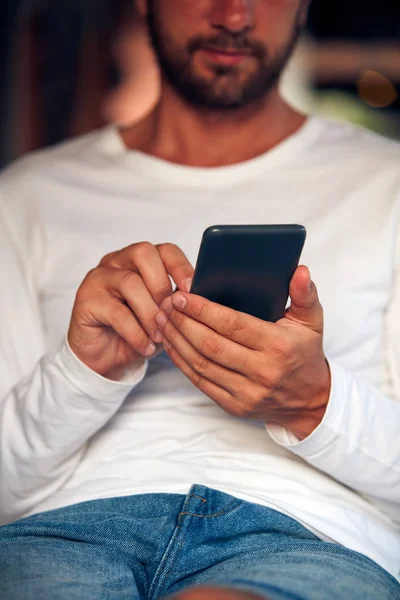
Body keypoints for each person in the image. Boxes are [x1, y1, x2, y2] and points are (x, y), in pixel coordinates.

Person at [0, 1, 399, 599]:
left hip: (308, 536)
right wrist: (82, 372)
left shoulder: (387, 185)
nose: (234, 15)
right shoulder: (26, 197)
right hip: (62, 534)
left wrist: (313, 403)